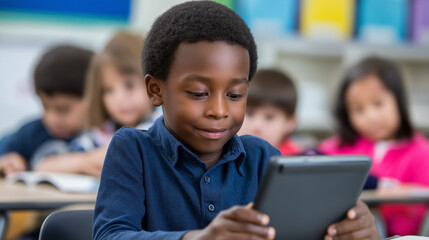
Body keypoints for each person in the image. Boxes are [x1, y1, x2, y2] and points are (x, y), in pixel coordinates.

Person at [93, 2, 381, 240]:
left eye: (235, 94)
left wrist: (354, 230)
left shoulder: (264, 159)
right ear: (156, 90)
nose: (219, 110)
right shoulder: (133, 150)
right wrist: (199, 238)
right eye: (198, 93)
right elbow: (110, 235)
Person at [319, 56, 429, 236]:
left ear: (398, 101)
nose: (370, 117)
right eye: (358, 109)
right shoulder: (341, 146)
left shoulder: (422, 152)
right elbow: (309, 161)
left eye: (378, 104)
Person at [33, 32, 157, 177]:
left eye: (129, 86)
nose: (119, 99)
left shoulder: (163, 130)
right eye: (107, 90)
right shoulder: (101, 134)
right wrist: (86, 161)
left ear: (153, 83)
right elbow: (43, 165)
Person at [0, 45, 94, 176]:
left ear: (94, 99)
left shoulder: (105, 135)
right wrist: (7, 161)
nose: (51, 118)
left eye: (63, 109)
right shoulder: (32, 133)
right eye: (45, 106)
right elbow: (4, 154)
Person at [238, 69, 302, 155]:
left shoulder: (297, 161)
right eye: (249, 113)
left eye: (269, 117)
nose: (257, 126)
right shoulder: (223, 155)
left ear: (291, 122)